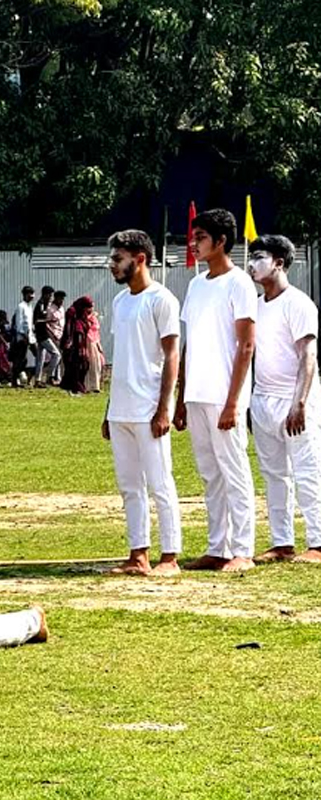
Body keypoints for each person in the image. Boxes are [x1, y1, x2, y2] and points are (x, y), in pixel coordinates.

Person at [173, 208, 258, 572]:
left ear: (221, 241)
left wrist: (233, 401)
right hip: (197, 395)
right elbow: (189, 342)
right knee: (210, 473)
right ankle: (217, 546)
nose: (194, 243)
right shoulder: (196, 284)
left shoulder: (239, 283)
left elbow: (246, 346)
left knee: (234, 470)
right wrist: (180, 396)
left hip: (226, 396)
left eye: (201, 237)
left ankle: (243, 550)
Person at [101, 230, 182, 577]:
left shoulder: (161, 299)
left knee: (160, 482)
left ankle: (170, 557)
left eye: (118, 259)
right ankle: (138, 554)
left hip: (149, 407)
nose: (112, 266)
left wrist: (165, 407)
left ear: (140, 258)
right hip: (121, 408)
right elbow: (122, 359)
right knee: (129, 485)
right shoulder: (120, 302)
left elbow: (171, 355)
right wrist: (108, 410)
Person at [245, 235, 321, 564]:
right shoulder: (255, 306)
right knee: (274, 474)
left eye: (258, 257)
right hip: (263, 400)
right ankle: (282, 542)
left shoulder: (298, 302)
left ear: (278, 262)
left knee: (307, 470)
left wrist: (300, 402)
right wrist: (250, 401)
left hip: (295, 401)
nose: (251, 264)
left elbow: (308, 353)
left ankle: (317, 543)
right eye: (249, 257)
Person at [58, 296, 95, 395]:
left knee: (83, 366)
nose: (89, 311)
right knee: (76, 367)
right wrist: (71, 344)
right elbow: (72, 330)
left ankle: (76, 386)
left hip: (80, 346)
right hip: (73, 346)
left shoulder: (81, 316)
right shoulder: (72, 314)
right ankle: (76, 388)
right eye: (88, 308)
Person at [11, 286, 36, 386]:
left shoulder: (30, 307)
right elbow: (19, 323)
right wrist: (23, 335)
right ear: (25, 295)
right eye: (30, 294)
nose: (32, 296)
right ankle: (14, 379)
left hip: (30, 336)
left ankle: (32, 376)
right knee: (20, 359)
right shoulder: (21, 307)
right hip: (23, 337)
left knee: (37, 355)